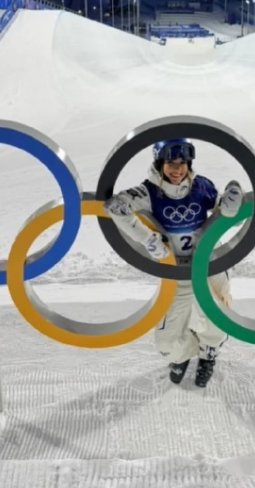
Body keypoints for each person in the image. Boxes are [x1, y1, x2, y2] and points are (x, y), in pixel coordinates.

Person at [104, 138, 243, 387]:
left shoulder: (201, 186)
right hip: (176, 271)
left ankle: (209, 352)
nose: (177, 169)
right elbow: (115, 206)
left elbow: (224, 212)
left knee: (217, 315)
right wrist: (147, 239)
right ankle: (181, 355)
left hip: (207, 264)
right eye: (170, 162)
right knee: (167, 338)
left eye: (182, 163)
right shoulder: (148, 191)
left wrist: (233, 207)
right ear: (159, 163)